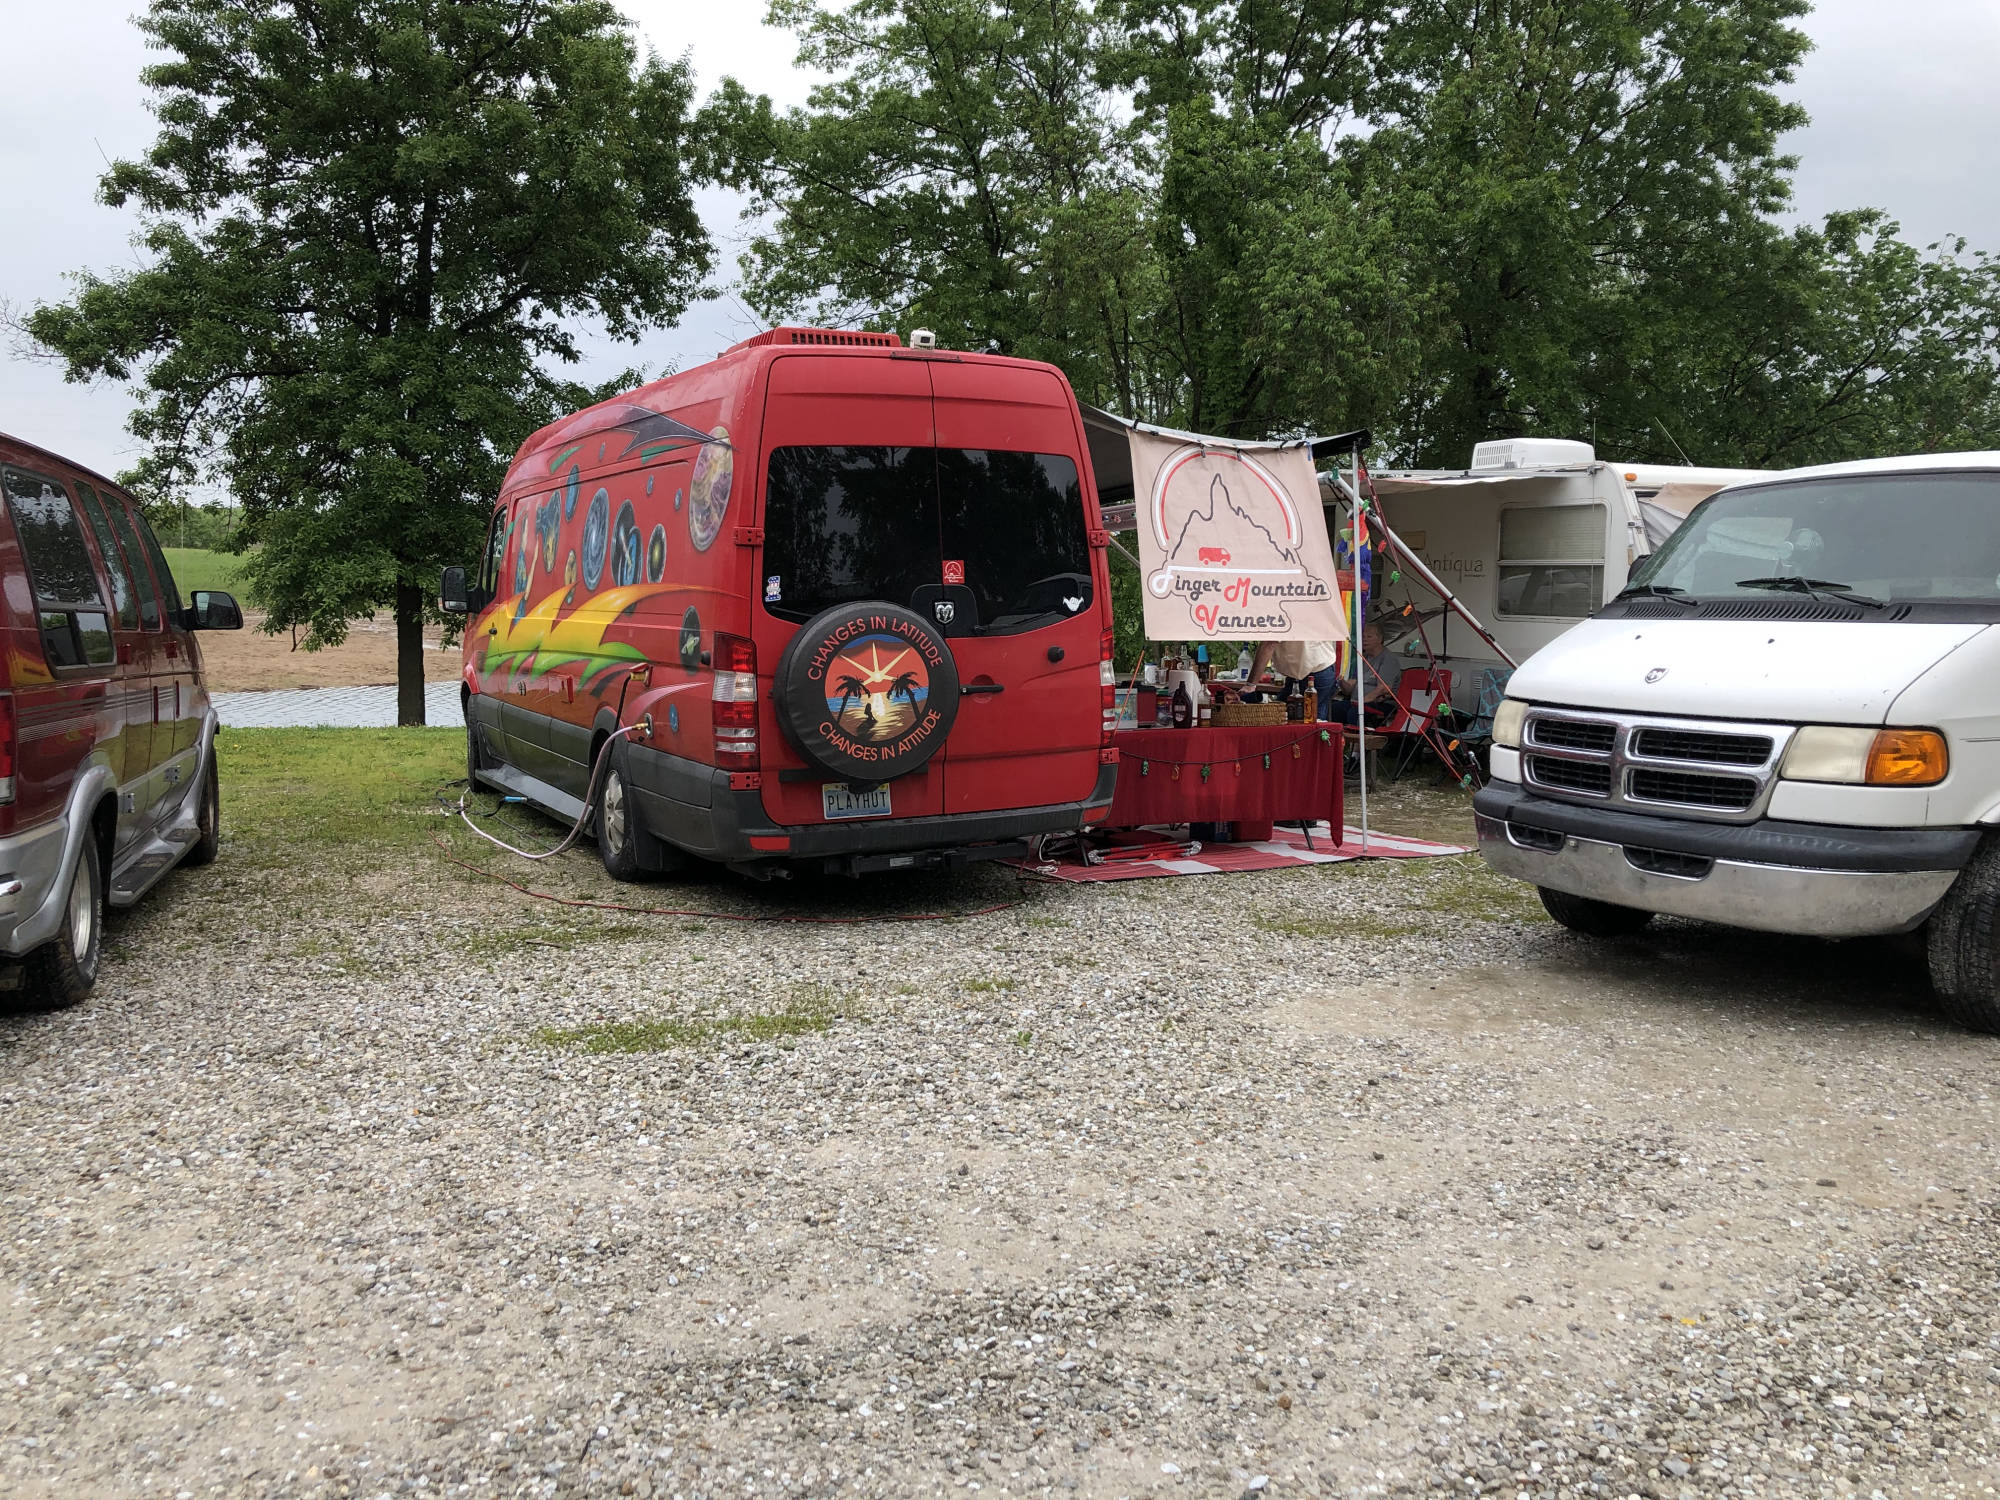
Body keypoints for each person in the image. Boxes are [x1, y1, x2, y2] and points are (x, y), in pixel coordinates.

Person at [1326, 622, 1401, 731]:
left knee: (1355, 712)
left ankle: (1356, 739)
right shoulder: (1364, 658)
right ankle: (1340, 738)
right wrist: (1341, 681)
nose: (1364, 640)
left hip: (1379, 703)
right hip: (1357, 702)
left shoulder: (1388, 659)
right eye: (1363, 637)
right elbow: (1349, 690)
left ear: (1380, 639)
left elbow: (1383, 689)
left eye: (1369, 636)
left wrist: (1361, 702)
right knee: (1335, 708)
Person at [1243, 636, 1341, 717]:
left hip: (1315, 672)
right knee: (1283, 715)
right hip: (1311, 671)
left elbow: (1268, 644)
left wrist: (1250, 685)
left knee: (1305, 720)